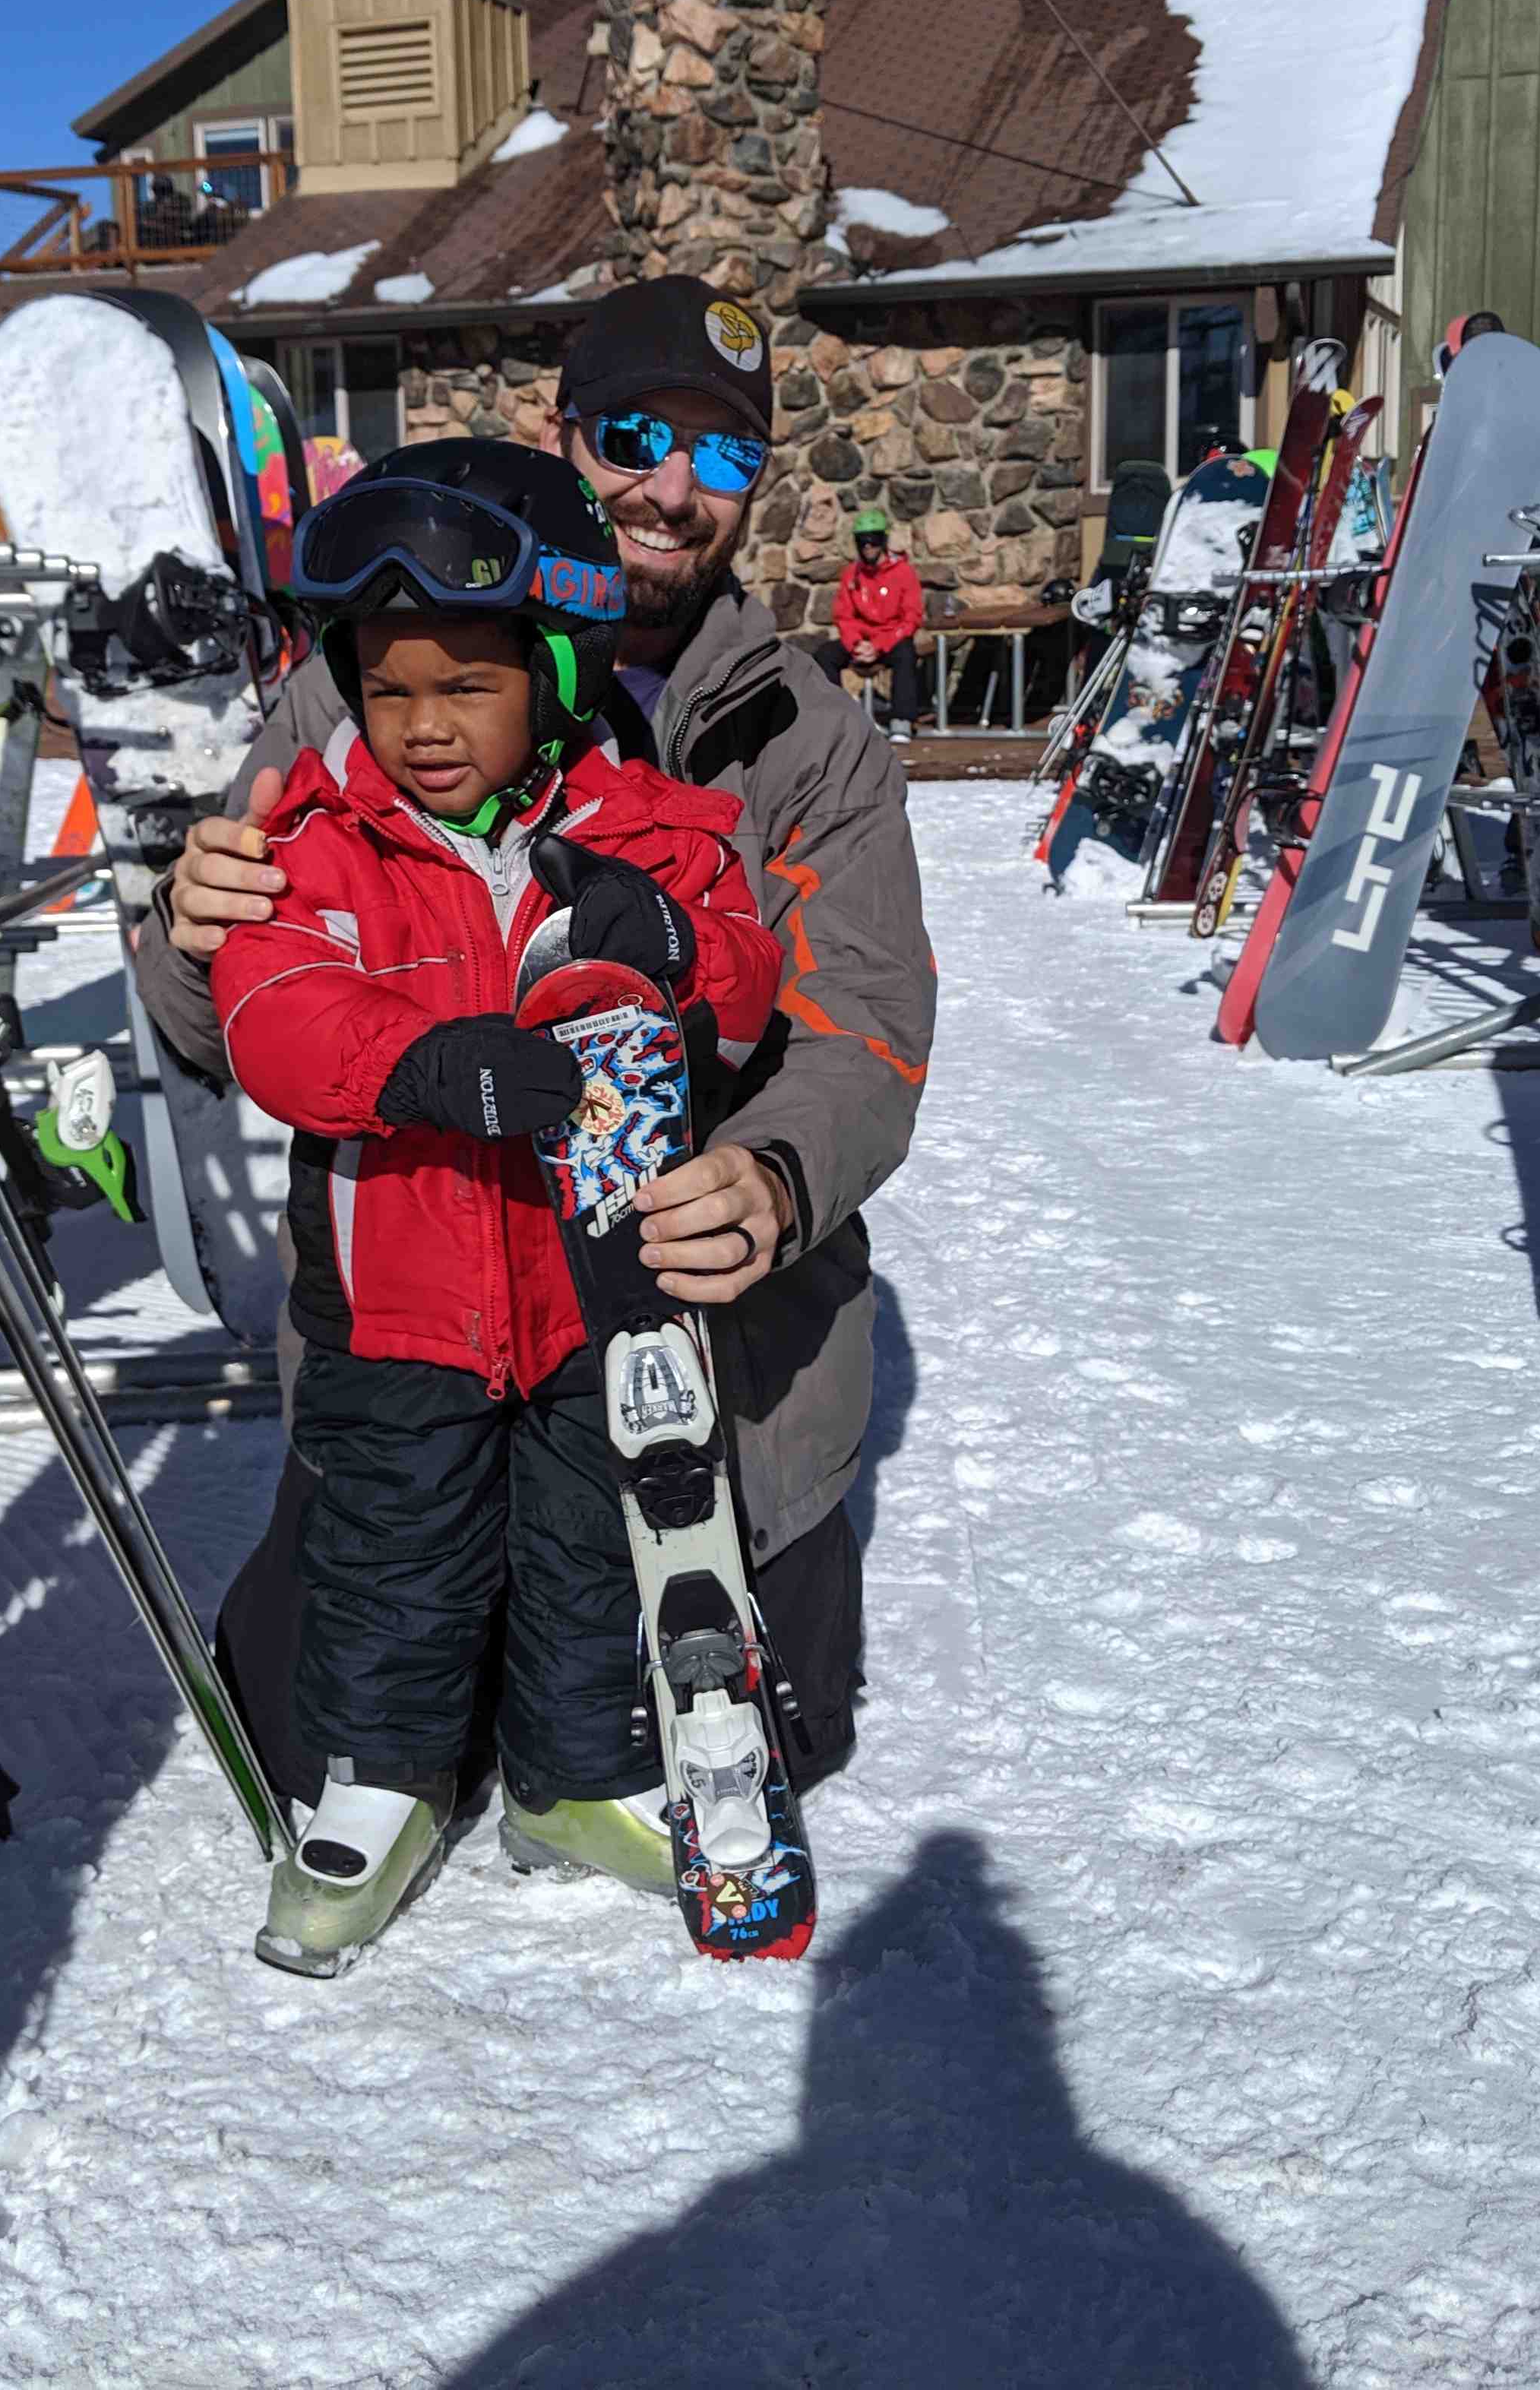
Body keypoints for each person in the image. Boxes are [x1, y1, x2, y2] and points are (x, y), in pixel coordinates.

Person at [136, 274, 938, 1892]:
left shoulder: (807, 740)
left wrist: (775, 1175)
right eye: (633, 436)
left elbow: (862, 1024)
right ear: (563, 438)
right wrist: (184, 926)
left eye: (722, 454)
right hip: (423, 1313)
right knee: (330, 1721)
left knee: (758, 1733)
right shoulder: (369, 666)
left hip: (687, 1338)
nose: (671, 487)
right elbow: (228, 1025)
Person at [209, 439, 782, 1971]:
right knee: (393, 1556)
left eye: (466, 685)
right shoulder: (318, 845)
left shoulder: (648, 829)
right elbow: (270, 1009)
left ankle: (574, 1778)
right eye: (387, 688)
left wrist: (670, 942)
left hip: (593, 1295)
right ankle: (379, 1786)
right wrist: (418, 1065)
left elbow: (745, 986)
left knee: (589, 1548)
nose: (422, 725)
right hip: (398, 1308)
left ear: (555, 671)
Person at [817, 508, 924, 742]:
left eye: (873, 540)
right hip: (860, 641)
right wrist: (856, 643)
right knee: (825, 654)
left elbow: (912, 618)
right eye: (862, 541)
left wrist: (879, 645)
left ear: (883, 540)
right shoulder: (851, 574)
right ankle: (836, 720)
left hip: (890, 640)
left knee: (906, 653)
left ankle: (902, 720)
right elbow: (843, 616)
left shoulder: (903, 572)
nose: (868, 546)